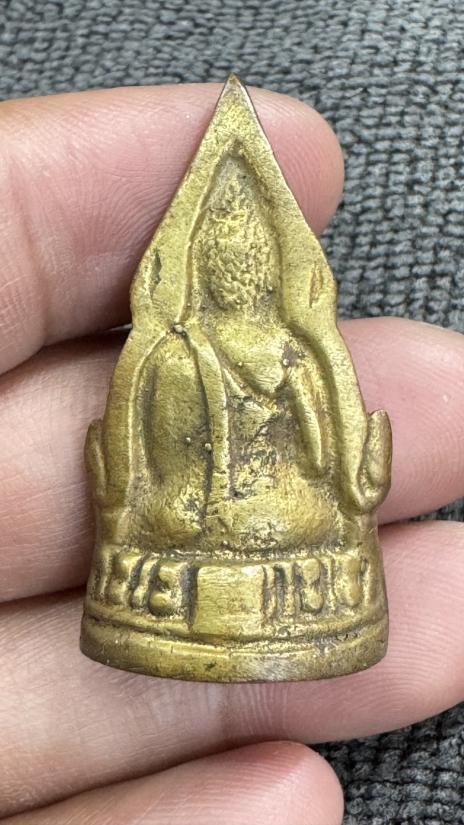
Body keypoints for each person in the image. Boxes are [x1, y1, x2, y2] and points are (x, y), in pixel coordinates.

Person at [0, 82, 462, 825]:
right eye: (229, 265)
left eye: (241, 265)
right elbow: (189, 469)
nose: (236, 276)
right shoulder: (201, 354)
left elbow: (316, 460)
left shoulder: (254, 353)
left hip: (245, 528)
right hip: (224, 528)